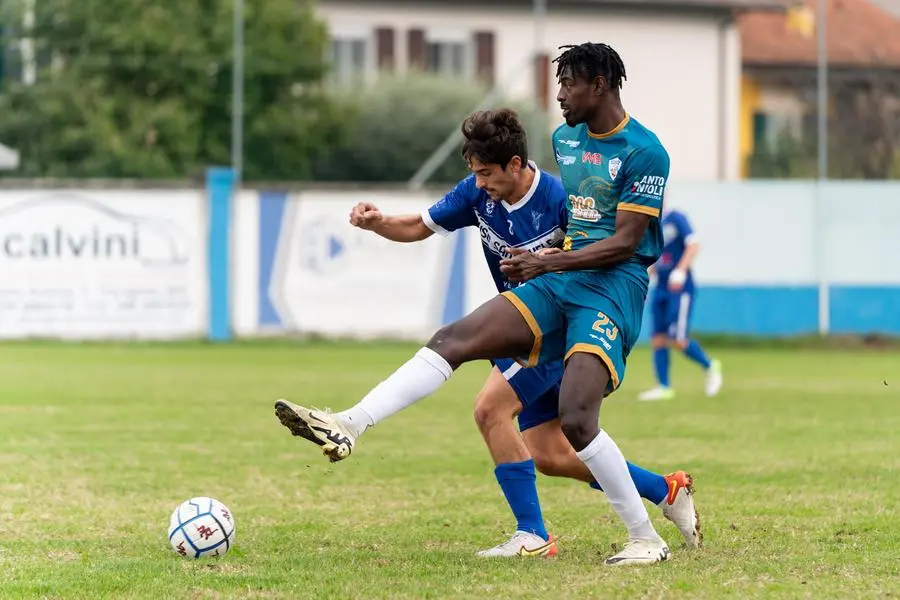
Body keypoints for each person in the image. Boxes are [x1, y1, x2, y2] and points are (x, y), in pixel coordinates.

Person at [274, 42, 684, 566]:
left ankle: (643, 537)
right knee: (460, 348)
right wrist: (379, 224)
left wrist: (544, 263)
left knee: (571, 421)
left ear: (599, 85)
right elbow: (424, 224)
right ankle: (351, 423)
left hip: (612, 287)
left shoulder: (645, 152)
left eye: (569, 85)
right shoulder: (566, 140)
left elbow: (626, 242)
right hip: (558, 286)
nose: (559, 95)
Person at [638, 207, 723, 401]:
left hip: (679, 288)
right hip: (661, 287)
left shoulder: (675, 218)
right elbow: (652, 257)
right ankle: (664, 387)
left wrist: (681, 270)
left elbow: (693, 244)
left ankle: (710, 366)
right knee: (658, 337)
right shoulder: (650, 224)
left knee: (678, 338)